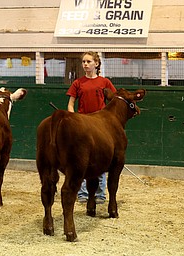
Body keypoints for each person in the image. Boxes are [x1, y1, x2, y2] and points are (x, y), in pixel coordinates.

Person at [66, 51, 116, 204]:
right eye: (83, 62)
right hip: (83, 123)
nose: (85, 64)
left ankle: (100, 194)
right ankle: (82, 194)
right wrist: (73, 119)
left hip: (100, 124)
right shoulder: (77, 83)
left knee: (100, 159)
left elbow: (114, 101)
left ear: (96, 63)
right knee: (81, 161)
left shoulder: (105, 82)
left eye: (88, 61)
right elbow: (71, 103)